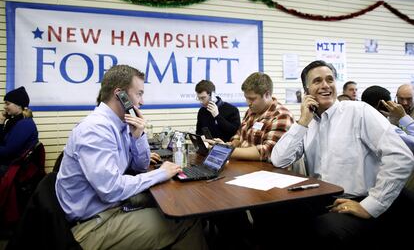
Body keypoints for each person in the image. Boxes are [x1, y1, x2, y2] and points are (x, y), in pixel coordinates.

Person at [55, 65, 207, 250]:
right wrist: (160, 173)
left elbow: (141, 165)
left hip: (107, 208)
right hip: (93, 225)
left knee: (175, 205)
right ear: (120, 94)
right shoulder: (95, 129)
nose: (142, 101)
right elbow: (111, 189)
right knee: (187, 219)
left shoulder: (116, 125)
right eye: (139, 94)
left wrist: (139, 134)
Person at [270, 60, 414, 246]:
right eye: (317, 81)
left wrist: (369, 206)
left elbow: (401, 157)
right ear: (306, 92)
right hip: (322, 199)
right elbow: (279, 159)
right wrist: (303, 121)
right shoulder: (309, 123)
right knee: (274, 214)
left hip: (358, 200)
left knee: (321, 229)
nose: (325, 85)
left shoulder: (358, 111)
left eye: (330, 79)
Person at [213, 72, 294, 161]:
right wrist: (233, 143)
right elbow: (239, 134)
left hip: (265, 171)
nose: (248, 103)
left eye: (252, 99)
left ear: (267, 95)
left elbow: (267, 151)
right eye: (246, 98)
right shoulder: (251, 111)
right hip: (244, 166)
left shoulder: (282, 116)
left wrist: (226, 151)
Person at [0, 86, 38, 176]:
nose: (4, 107)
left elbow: (7, 152)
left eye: (7, 104)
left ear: (18, 105)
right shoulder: (14, 122)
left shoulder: (24, 124)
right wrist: (2, 121)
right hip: (9, 164)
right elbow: (2, 141)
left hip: (13, 168)